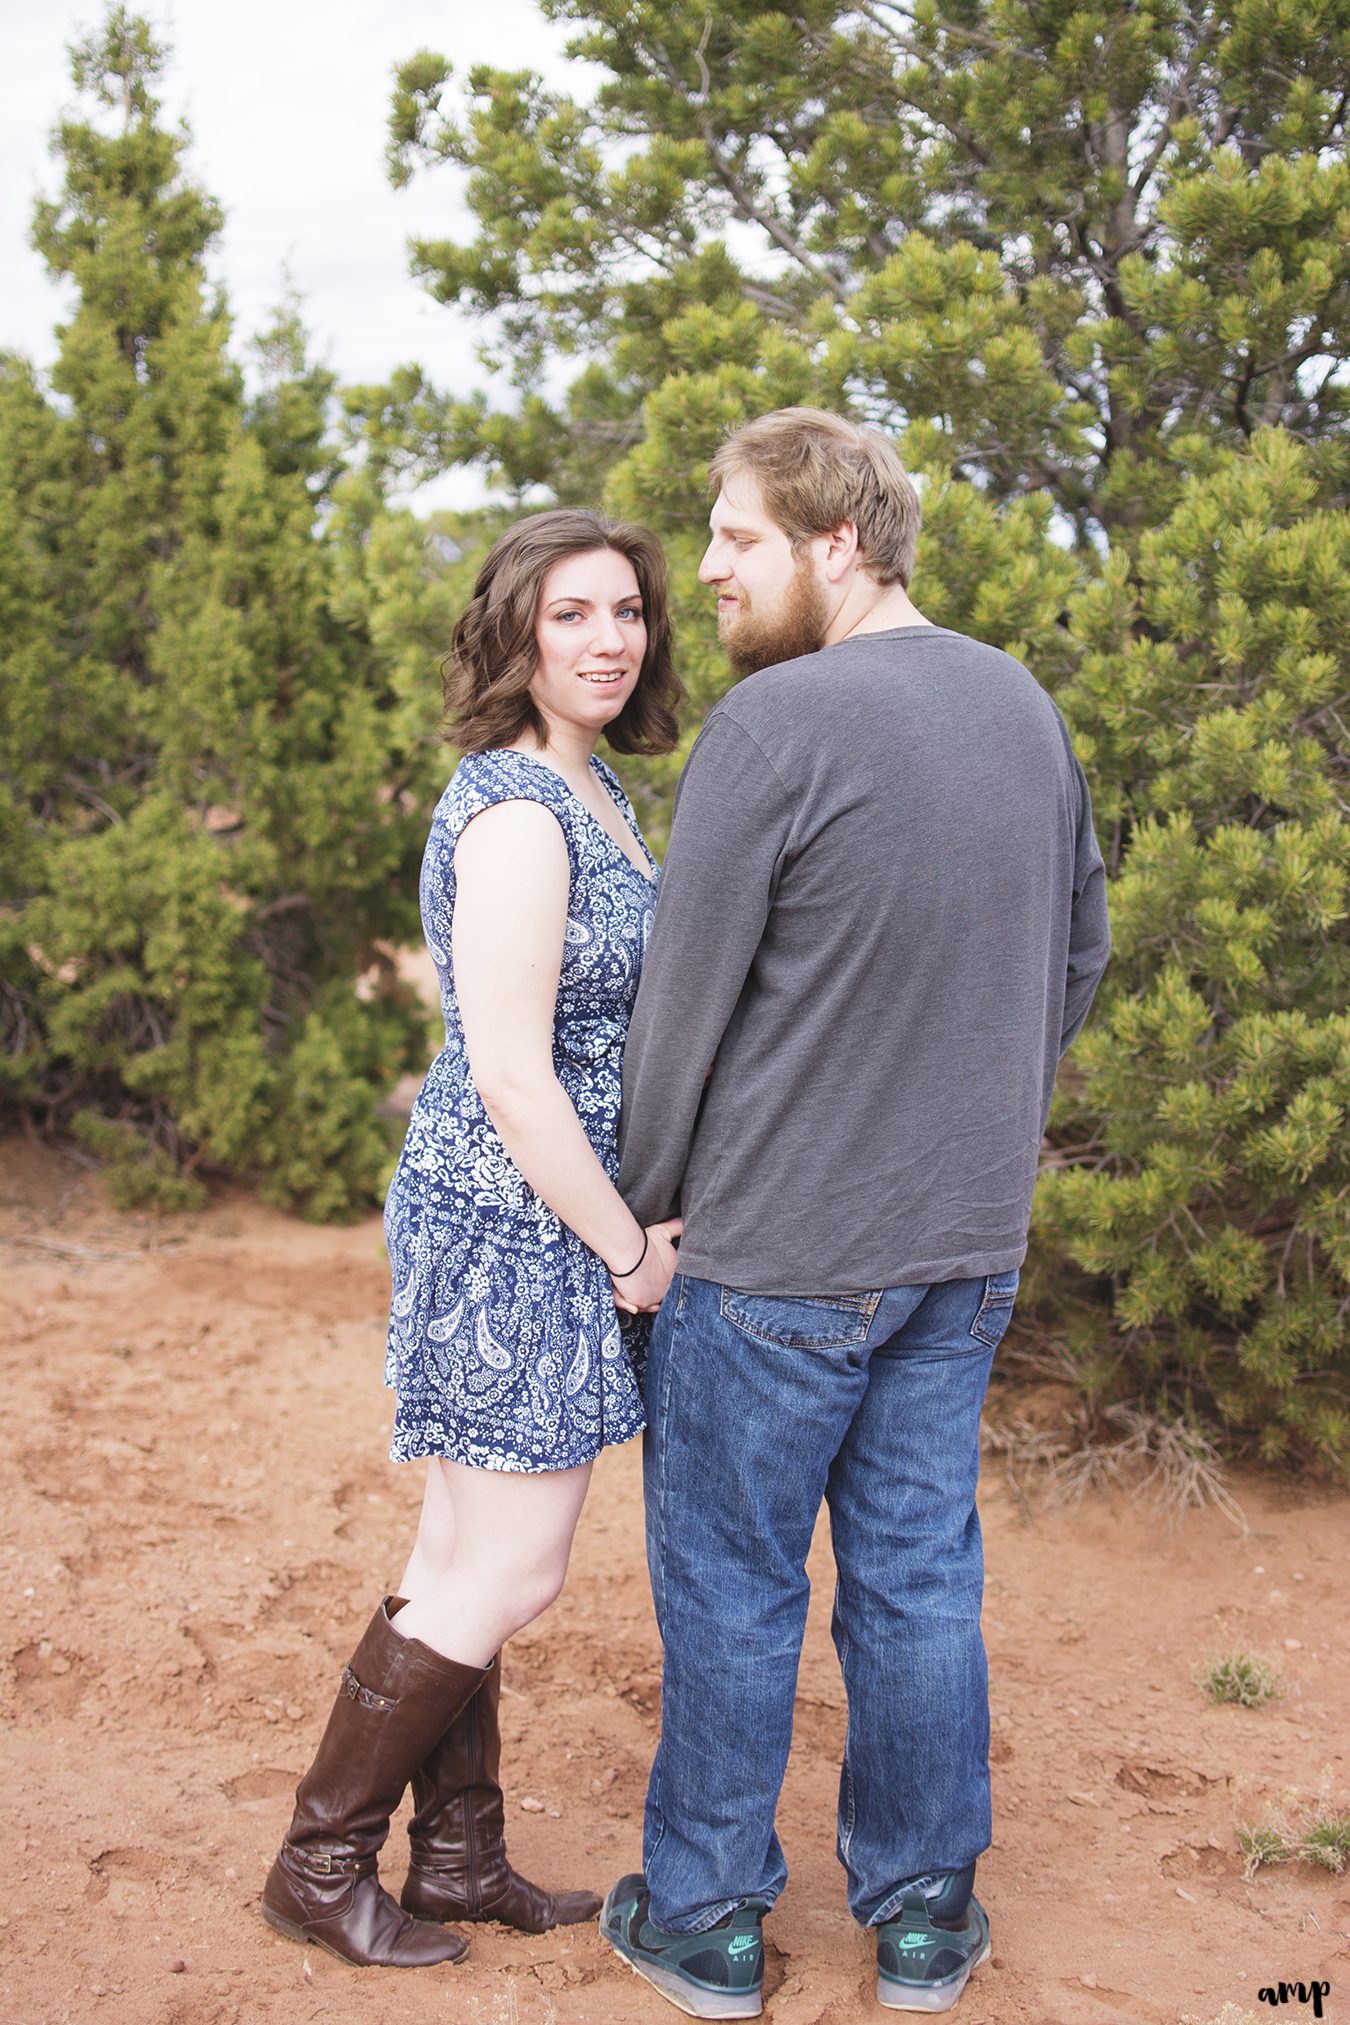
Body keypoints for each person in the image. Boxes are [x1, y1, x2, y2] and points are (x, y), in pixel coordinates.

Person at [599, 409, 1112, 2018]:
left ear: (835, 543)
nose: (707, 570)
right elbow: (1081, 951)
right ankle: (918, 1917)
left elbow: (678, 1020)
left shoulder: (774, 727)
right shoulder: (1016, 701)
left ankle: (704, 1915)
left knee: (734, 1581)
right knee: (915, 1574)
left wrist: (641, 1220)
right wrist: (969, 1111)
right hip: (961, 1248)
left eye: (736, 538)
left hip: (769, 1257)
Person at [261, 509, 684, 1969]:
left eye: (625, 611)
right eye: (570, 614)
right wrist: (628, 1244)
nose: (607, 639)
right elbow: (511, 1067)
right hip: (517, 1221)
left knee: (459, 1546)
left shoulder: (595, 784)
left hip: (531, 1210)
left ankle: (454, 1855)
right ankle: (319, 1865)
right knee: (510, 1566)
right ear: (514, 632)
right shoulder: (517, 812)